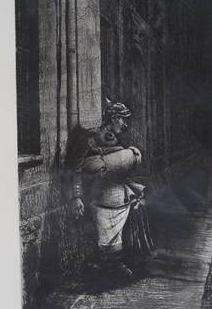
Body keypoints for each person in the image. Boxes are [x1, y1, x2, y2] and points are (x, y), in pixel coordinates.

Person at [66, 99, 153, 281]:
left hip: (117, 193)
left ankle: (120, 261)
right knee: (105, 235)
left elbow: (119, 168)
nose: (125, 124)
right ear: (113, 118)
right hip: (98, 196)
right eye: (123, 119)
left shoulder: (116, 139)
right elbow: (76, 168)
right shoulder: (91, 139)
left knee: (136, 212)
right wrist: (77, 197)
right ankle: (108, 266)